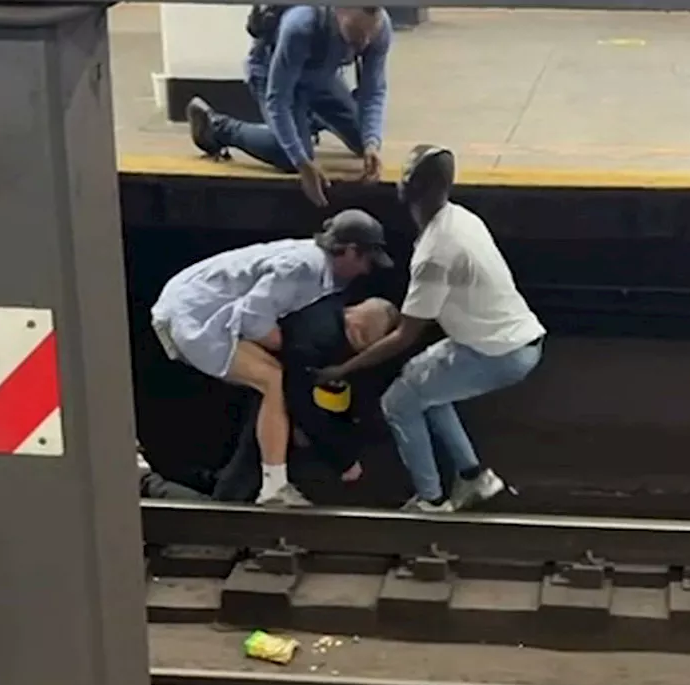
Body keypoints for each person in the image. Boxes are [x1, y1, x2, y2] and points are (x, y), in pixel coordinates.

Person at [314, 145, 547, 513]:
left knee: (398, 402)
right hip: (505, 341)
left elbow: (404, 335)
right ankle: (474, 477)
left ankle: (430, 500)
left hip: (496, 355)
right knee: (421, 382)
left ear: (409, 189)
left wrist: (342, 370)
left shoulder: (435, 256)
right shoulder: (460, 218)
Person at [150, 208, 392, 506]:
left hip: (195, 307)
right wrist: (289, 348)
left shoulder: (317, 266)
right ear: (350, 251)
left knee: (272, 379)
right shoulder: (304, 267)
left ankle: (251, 482)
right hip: (196, 315)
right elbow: (252, 317)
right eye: (366, 260)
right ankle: (274, 488)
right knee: (273, 379)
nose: (366, 270)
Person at [140, 294, 400, 504]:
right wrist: (342, 458)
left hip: (258, 398)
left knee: (234, 485)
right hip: (251, 392)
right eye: (358, 339)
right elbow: (298, 397)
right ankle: (148, 484)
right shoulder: (318, 336)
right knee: (229, 504)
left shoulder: (327, 322)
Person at [186, 6, 391, 207]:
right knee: (288, 155)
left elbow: (373, 91)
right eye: (355, 35)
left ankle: (305, 121)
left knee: (362, 140)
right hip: (273, 77)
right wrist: (301, 161)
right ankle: (217, 127)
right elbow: (278, 100)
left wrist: (371, 142)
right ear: (338, 11)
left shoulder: (378, 29)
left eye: (369, 36)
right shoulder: (300, 25)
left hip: (321, 77)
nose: (363, 44)